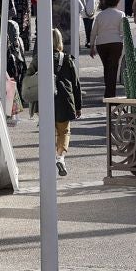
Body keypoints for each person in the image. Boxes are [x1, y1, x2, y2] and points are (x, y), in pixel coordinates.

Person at [50, 28, 81, 178]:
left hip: (46, 100)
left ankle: (49, 158)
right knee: (64, 131)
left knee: (48, 131)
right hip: (64, 100)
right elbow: (76, 84)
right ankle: (60, 157)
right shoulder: (67, 59)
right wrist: (78, 106)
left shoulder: (41, 59)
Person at [93, 0, 128, 99]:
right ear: (117, 2)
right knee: (113, 68)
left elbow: (94, 31)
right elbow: (123, 31)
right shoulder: (121, 14)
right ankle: (110, 95)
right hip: (116, 43)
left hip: (101, 44)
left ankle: (108, 91)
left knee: (106, 67)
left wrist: (91, 46)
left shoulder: (100, 15)